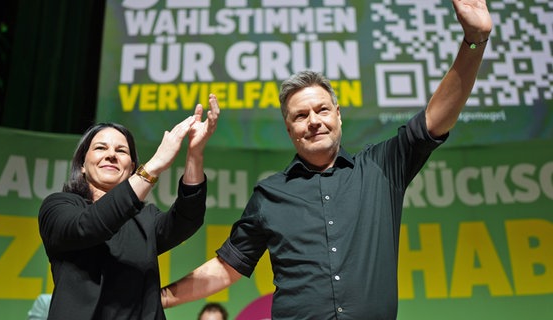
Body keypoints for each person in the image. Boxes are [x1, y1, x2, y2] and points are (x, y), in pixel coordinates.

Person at [160, 1, 492, 319]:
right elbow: (227, 267)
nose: (314, 120)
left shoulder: (380, 167)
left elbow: (435, 120)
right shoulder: (270, 195)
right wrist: (156, 297)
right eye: (301, 116)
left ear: (338, 115)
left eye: (322, 109)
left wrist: (473, 42)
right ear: (290, 130)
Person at [38, 94, 220, 319]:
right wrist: (154, 166)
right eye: (100, 148)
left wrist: (194, 154)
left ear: (131, 167)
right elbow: (89, 226)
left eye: (121, 151)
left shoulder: (145, 218)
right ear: (83, 165)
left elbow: (187, 219)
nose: (111, 155)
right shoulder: (59, 206)